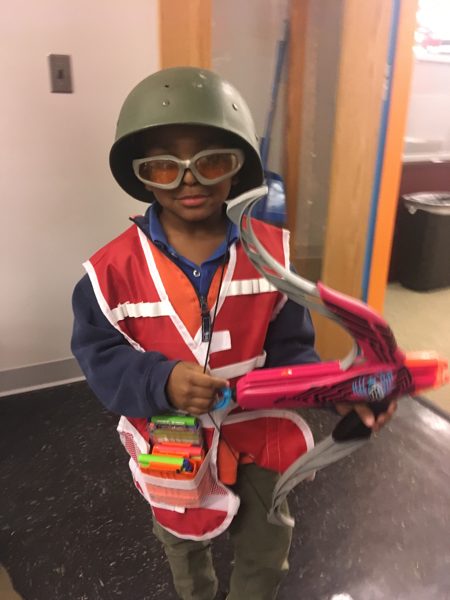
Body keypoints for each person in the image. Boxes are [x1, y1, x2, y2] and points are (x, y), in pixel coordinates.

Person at [71, 66, 396, 600]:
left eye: (211, 161)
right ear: (143, 175)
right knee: (183, 545)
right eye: (164, 165)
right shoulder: (109, 274)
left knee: (268, 546)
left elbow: (292, 351)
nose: (189, 180)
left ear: (238, 165)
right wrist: (159, 379)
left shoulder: (271, 256)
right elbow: (99, 355)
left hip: (257, 437)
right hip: (172, 447)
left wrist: (336, 391)